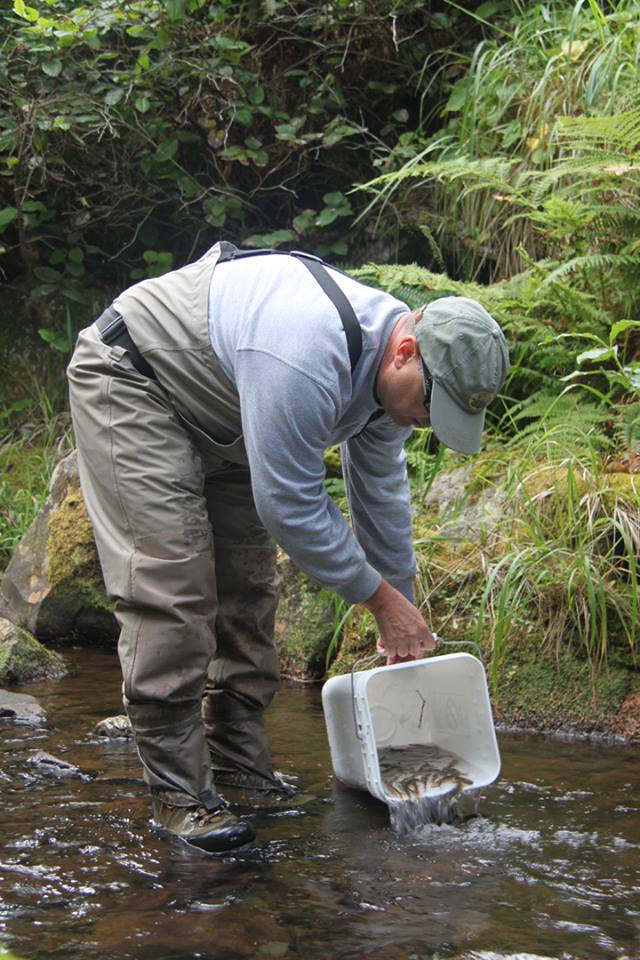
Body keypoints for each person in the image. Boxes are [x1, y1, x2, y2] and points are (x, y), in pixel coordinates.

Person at [67, 240, 509, 853]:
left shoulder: (393, 379)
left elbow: (379, 493)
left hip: (227, 413)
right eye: (434, 408)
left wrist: (402, 614)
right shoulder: (305, 348)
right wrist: (378, 600)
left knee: (249, 586)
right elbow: (290, 504)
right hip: (136, 379)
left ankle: (239, 768)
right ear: (406, 352)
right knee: (173, 588)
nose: (428, 423)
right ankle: (179, 799)